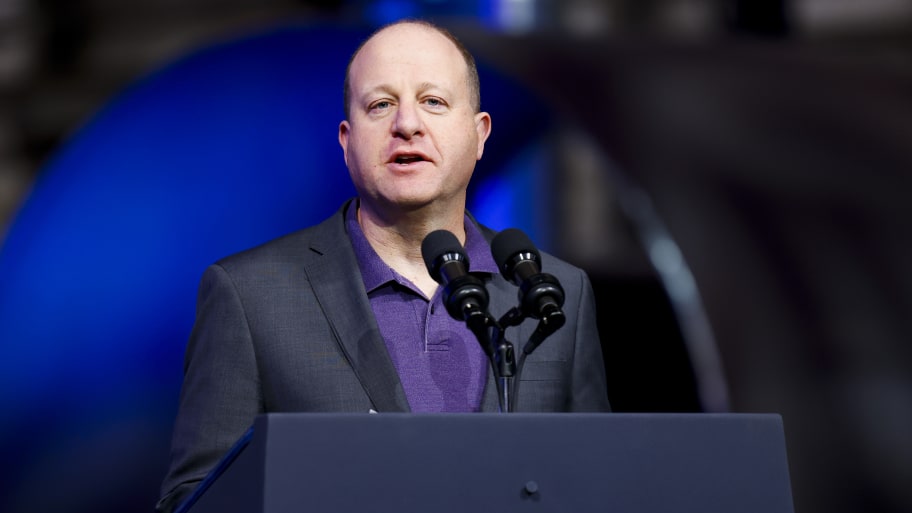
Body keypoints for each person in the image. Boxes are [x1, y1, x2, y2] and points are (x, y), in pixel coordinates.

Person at [156, 19, 610, 513]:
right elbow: (194, 503)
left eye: (433, 102)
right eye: (381, 105)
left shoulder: (555, 291)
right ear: (347, 141)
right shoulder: (250, 296)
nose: (407, 125)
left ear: (479, 135)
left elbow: (597, 485)